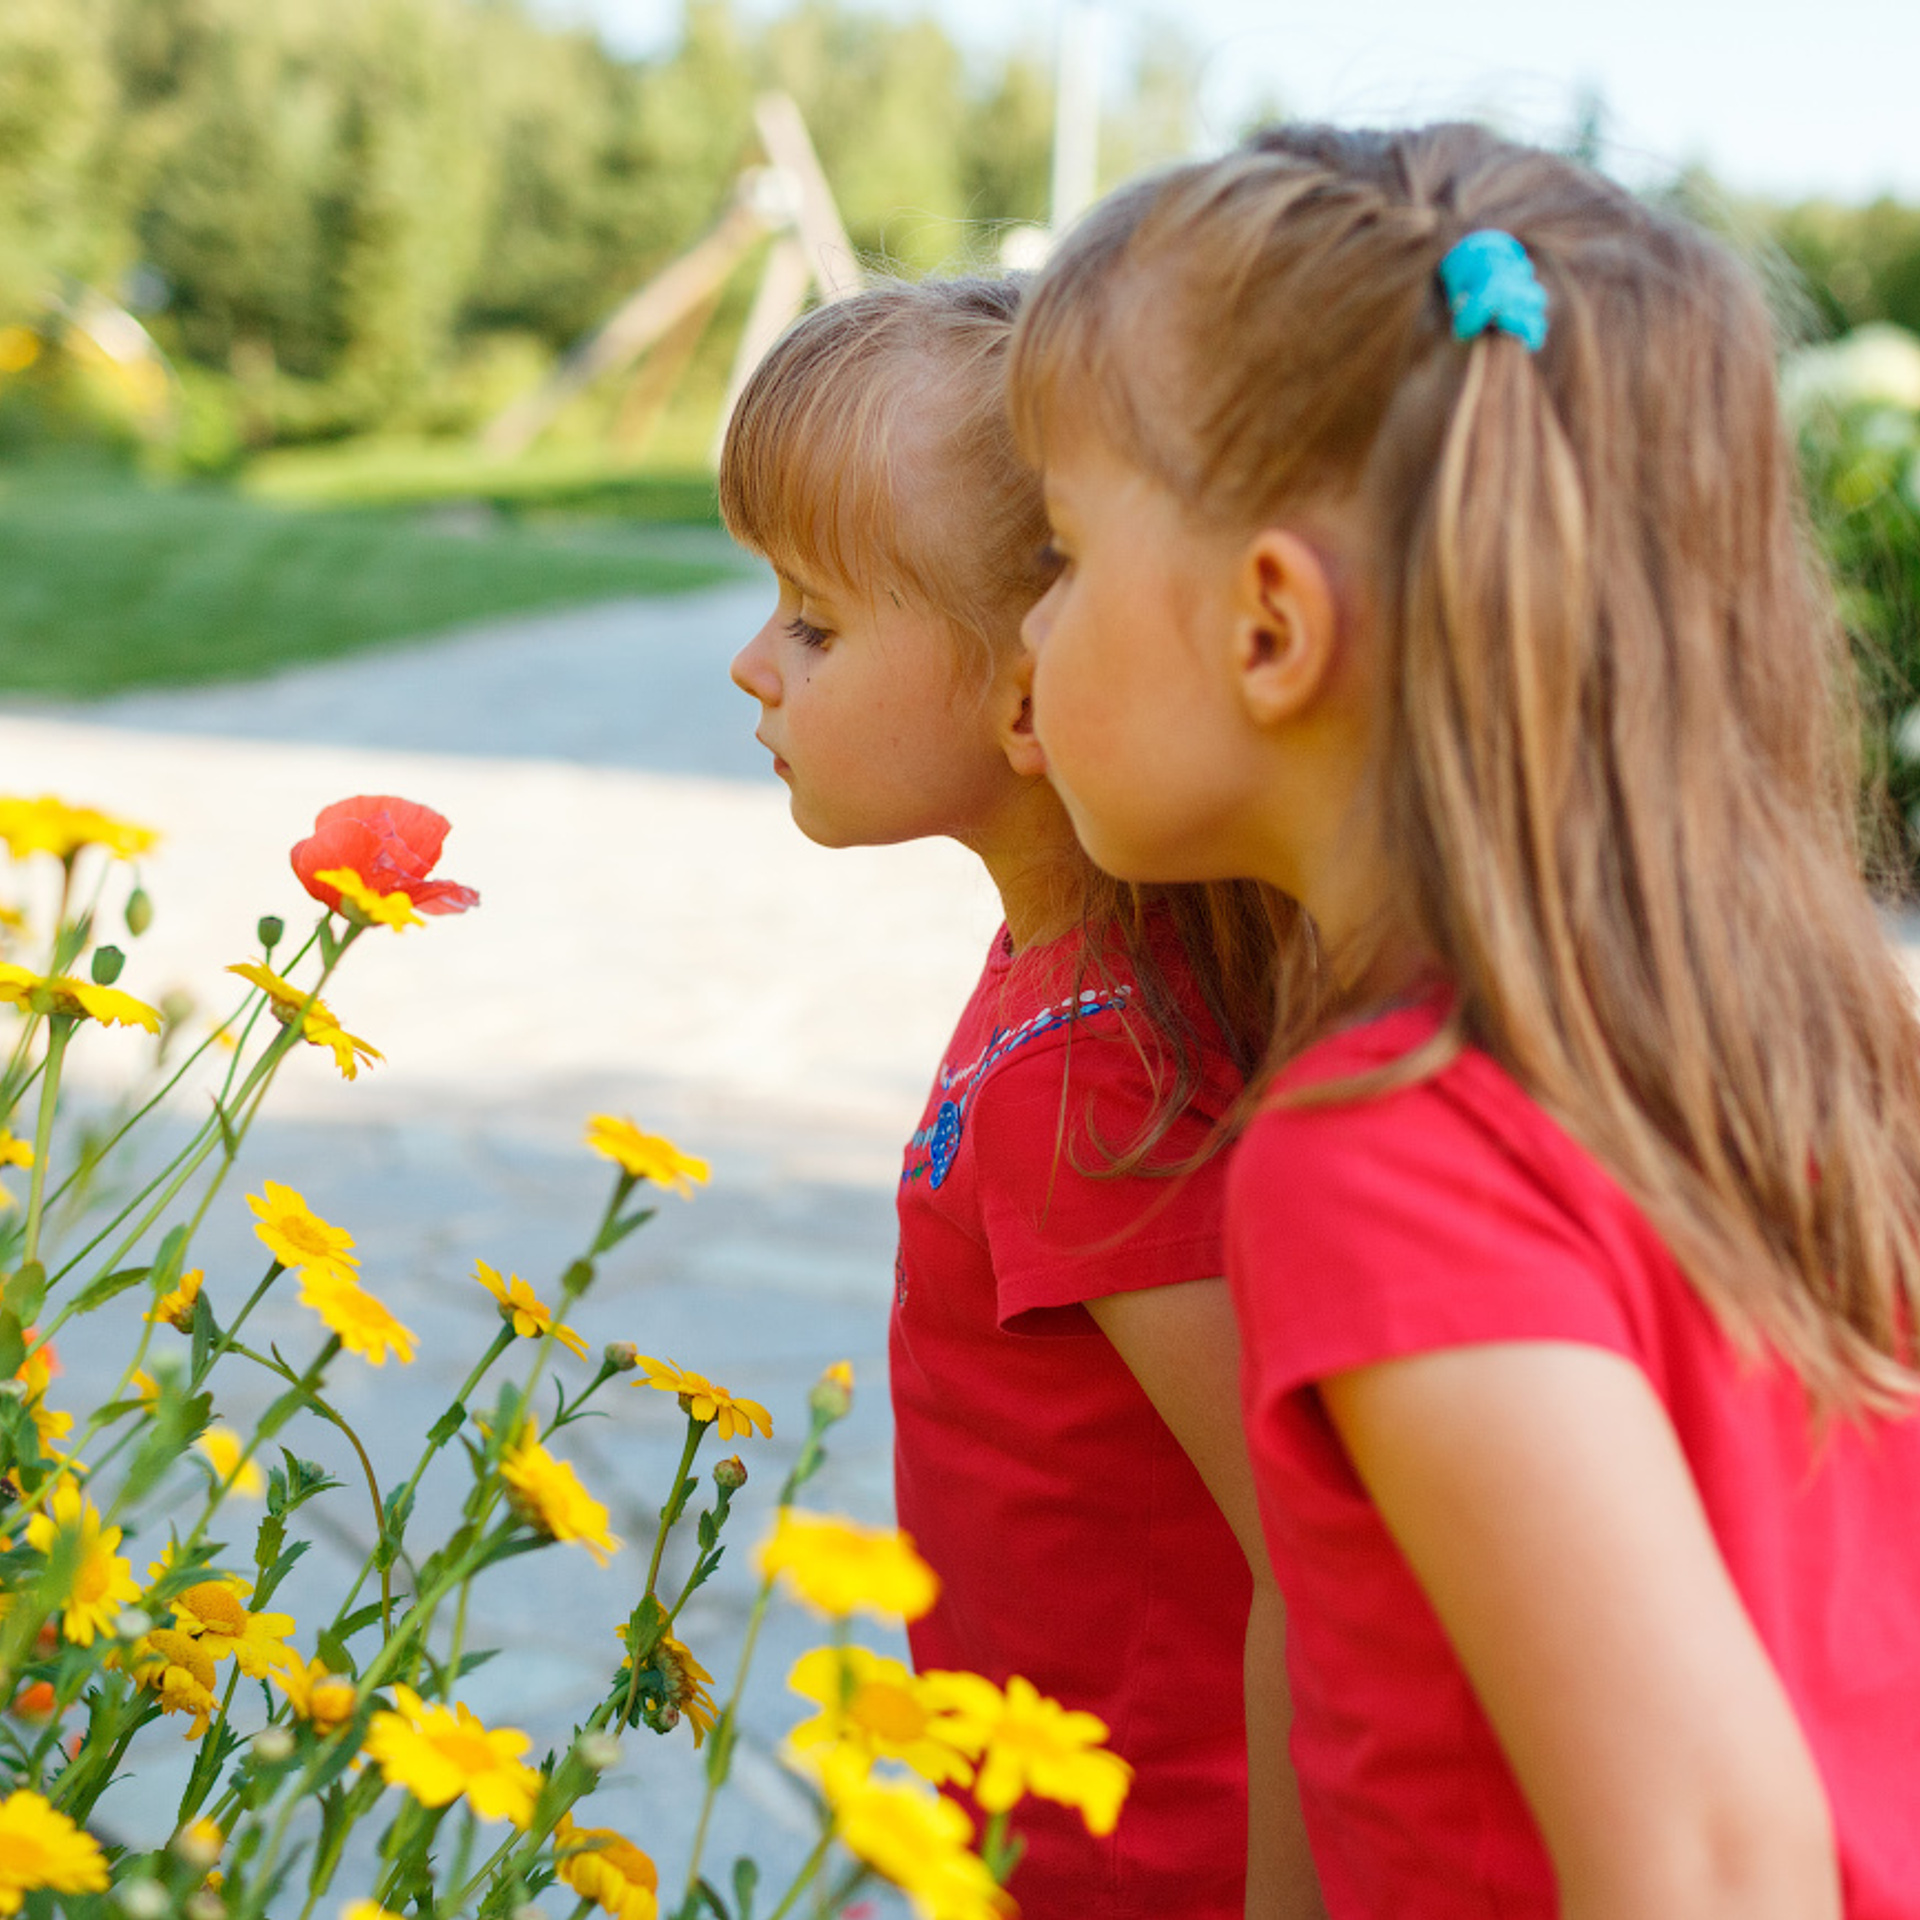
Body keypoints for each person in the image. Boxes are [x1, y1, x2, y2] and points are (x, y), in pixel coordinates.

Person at [1008, 124, 1920, 1919]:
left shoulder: (1392, 1155)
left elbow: (1717, 1867)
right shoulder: (1776, 1048)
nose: (1027, 631)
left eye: (1058, 550)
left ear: (1272, 627)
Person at [719, 276, 1324, 1918]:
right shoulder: (1071, 978)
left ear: (1032, 688)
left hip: (1144, 1877)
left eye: (814, 623)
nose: (752, 664)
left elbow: (1315, 1552)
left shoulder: (1091, 1082)